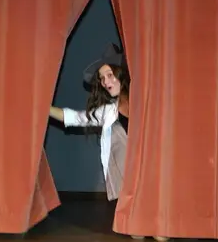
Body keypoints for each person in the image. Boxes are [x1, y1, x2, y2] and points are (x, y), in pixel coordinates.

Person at [49, 43, 169, 242]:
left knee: (161, 237)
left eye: (109, 75)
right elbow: (75, 117)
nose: (105, 82)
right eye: (102, 78)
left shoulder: (146, 102)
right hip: (130, 183)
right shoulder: (108, 112)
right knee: (137, 234)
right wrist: (44, 107)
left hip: (154, 178)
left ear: (122, 74)